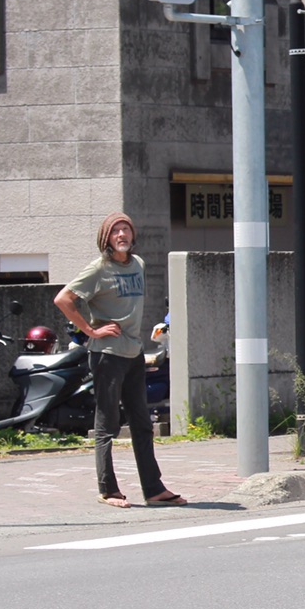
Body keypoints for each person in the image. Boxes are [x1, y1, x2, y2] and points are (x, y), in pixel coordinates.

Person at [55, 213, 185, 508]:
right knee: (107, 422)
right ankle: (108, 490)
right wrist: (90, 330)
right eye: (115, 231)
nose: (122, 234)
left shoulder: (138, 265)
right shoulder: (98, 269)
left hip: (133, 353)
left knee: (142, 422)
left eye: (126, 229)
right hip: (106, 356)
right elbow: (63, 299)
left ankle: (153, 490)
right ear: (106, 239)